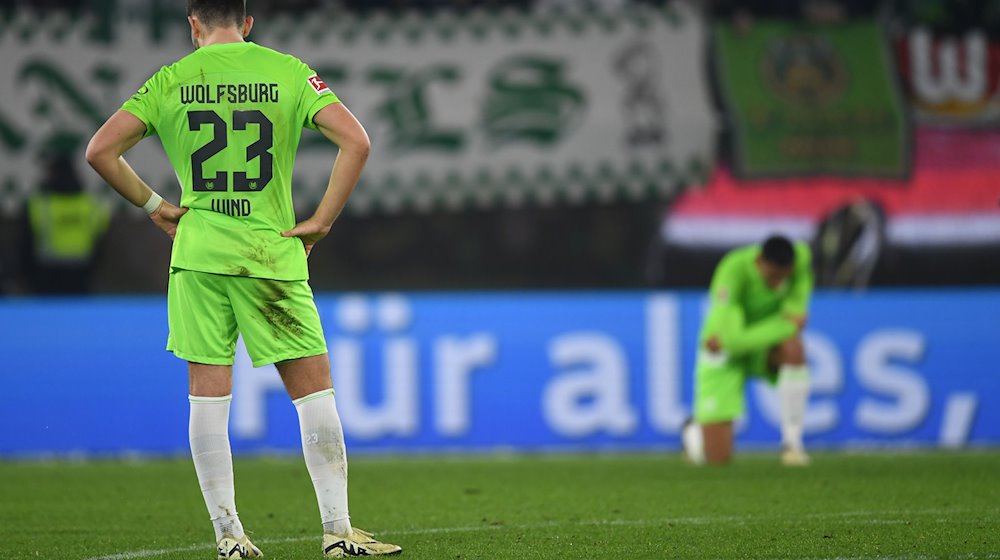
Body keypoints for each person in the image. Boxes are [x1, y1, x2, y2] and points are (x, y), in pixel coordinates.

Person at [84, 1, 401, 557]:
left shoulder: (171, 79)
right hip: (269, 255)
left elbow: (100, 151)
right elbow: (358, 141)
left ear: (193, 24)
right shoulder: (287, 71)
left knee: (208, 399)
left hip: (199, 254)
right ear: (248, 22)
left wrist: (156, 204)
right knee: (314, 392)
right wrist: (321, 220)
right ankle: (337, 532)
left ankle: (229, 537)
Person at [682, 235, 813, 466]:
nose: (777, 284)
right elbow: (730, 340)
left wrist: (784, 328)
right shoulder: (733, 269)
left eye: (784, 278)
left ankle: (792, 445)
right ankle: (694, 433)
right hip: (720, 350)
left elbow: (796, 320)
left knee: (794, 349)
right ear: (759, 262)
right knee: (717, 459)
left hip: (759, 347)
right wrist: (785, 325)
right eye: (773, 277)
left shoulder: (801, 260)